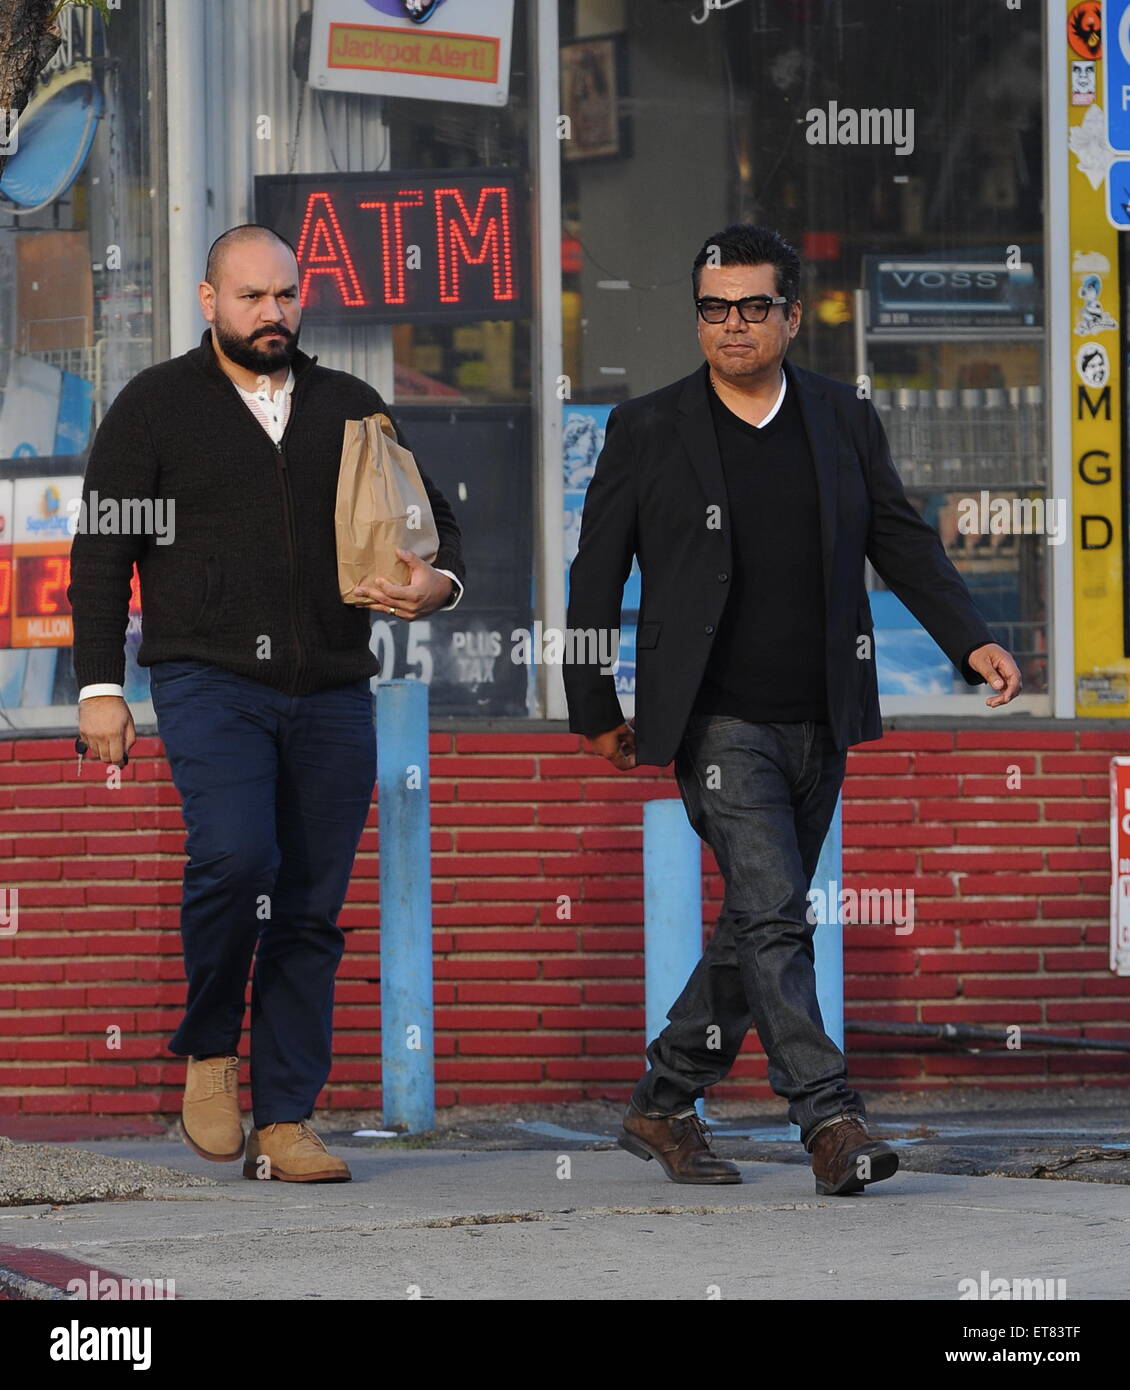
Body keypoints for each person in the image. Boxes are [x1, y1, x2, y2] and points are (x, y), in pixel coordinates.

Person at [563, 224, 1021, 1195]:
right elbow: (593, 576)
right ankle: (829, 1117)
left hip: (820, 711)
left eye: (752, 307)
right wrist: (591, 701)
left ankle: (660, 1098)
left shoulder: (839, 418)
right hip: (714, 723)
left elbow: (897, 537)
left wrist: (966, 637)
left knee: (752, 923)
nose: (732, 325)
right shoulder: (646, 429)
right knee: (775, 915)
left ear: (789, 313)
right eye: (713, 308)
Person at [68, 224, 465, 1182]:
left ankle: (285, 1120)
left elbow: (436, 527)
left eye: (286, 295)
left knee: (310, 910)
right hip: (209, 681)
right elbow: (101, 553)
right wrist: (99, 688)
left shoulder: (352, 406)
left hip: (332, 689)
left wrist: (437, 585)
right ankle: (211, 1050)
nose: (272, 313)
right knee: (234, 856)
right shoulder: (155, 407)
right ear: (210, 302)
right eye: (251, 297)